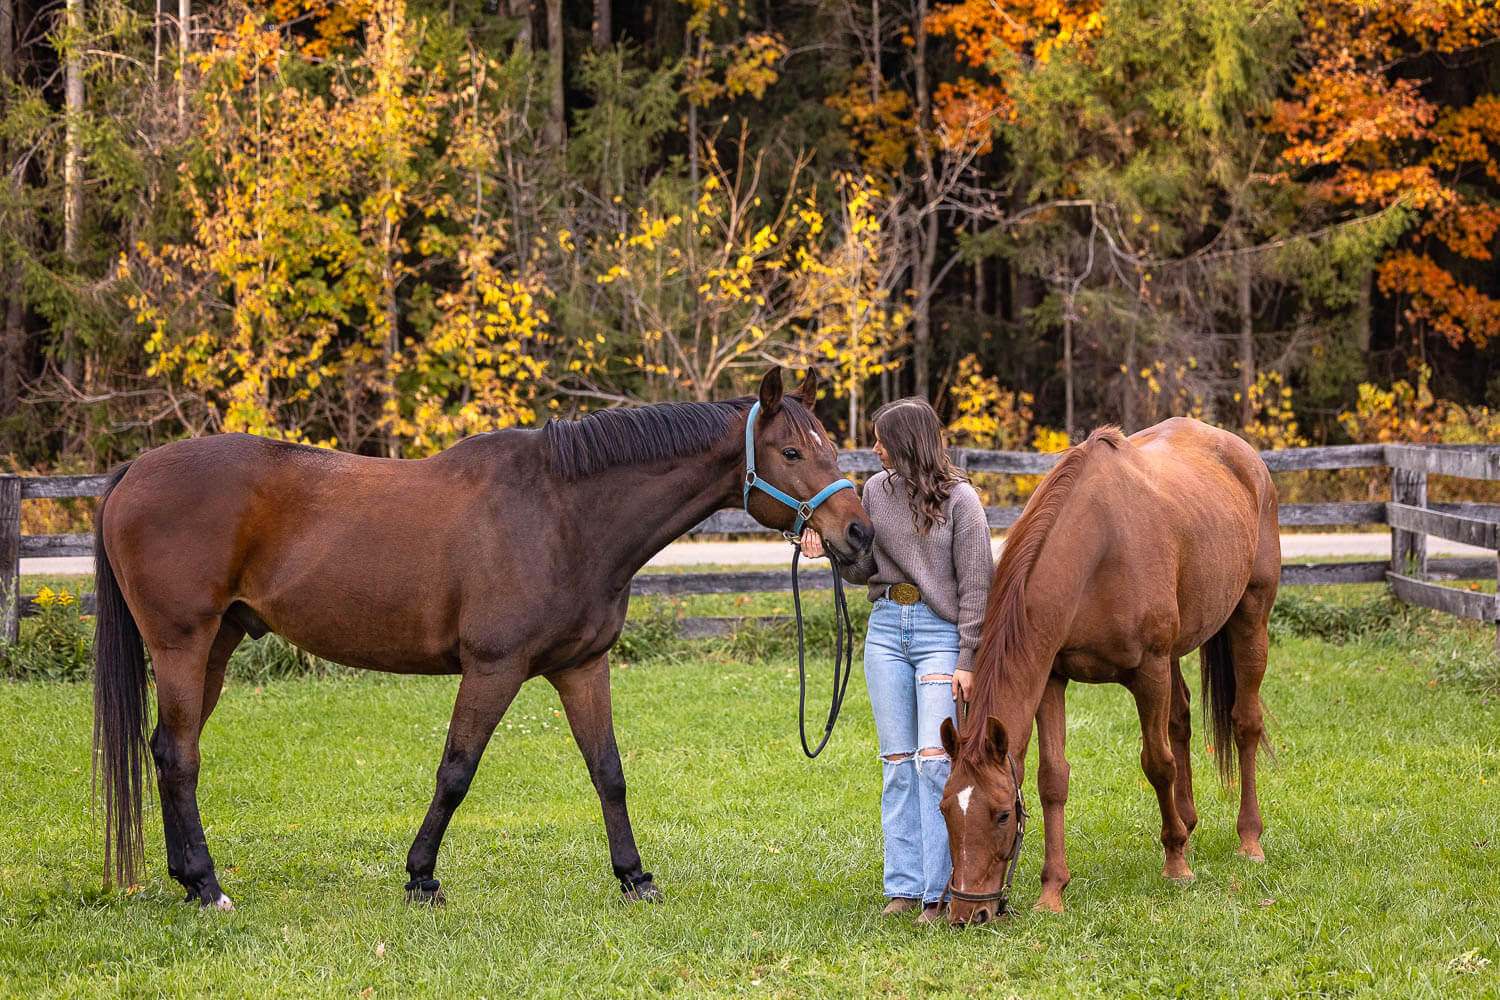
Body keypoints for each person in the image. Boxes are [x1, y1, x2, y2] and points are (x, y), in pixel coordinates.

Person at [801, 396, 994, 924]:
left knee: (935, 763)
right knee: (897, 764)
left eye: (882, 438)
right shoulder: (874, 492)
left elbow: (978, 585)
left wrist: (968, 656)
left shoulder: (962, 502)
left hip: (939, 634)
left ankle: (939, 891)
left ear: (906, 442)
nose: (875, 447)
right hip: (885, 628)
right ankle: (903, 887)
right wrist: (831, 552)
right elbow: (864, 569)